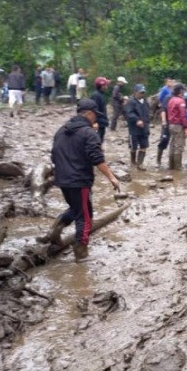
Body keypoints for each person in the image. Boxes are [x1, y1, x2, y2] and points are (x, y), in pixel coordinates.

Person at [38, 99, 120, 261]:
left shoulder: (61, 131)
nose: (96, 118)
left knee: (76, 208)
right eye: (95, 115)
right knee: (85, 216)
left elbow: (54, 154)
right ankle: (81, 252)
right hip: (79, 180)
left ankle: (55, 231)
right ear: (89, 114)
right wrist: (112, 177)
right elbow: (97, 158)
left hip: (62, 179)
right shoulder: (88, 133)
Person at [125, 83, 151, 170]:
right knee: (134, 146)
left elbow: (147, 114)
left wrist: (147, 123)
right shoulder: (131, 102)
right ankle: (133, 162)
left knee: (144, 146)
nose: (142, 94)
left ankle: (140, 164)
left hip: (144, 127)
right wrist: (137, 120)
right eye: (140, 92)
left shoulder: (145, 102)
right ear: (135, 92)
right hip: (134, 129)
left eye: (143, 92)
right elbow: (129, 113)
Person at [166, 83, 187, 170]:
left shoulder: (171, 100)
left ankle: (171, 166)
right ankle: (177, 167)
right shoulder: (181, 101)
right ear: (181, 91)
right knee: (179, 146)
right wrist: (186, 127)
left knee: (172, 144)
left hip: (171, 124)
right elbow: (183, 115)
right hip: (178, 125)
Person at [155, 78, 175, 165]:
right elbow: (162, 106)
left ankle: (172, 162)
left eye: (172, 82)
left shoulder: (180, 97)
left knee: (175, 142)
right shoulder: (166, 93)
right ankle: (158, 160)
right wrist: (163, 121)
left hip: (175, 122)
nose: (171, 83)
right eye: (170, 82)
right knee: (164, 139)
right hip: (167, 119)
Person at [91, 77, 110, 142]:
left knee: (100, 141)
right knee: (96, 141)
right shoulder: (96, 96)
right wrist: (95, 122)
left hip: (102, 122)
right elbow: (94, 110)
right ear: (101, 86)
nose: (107, 87)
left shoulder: (100, 95)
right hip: (98, 123)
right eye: (106, 85)